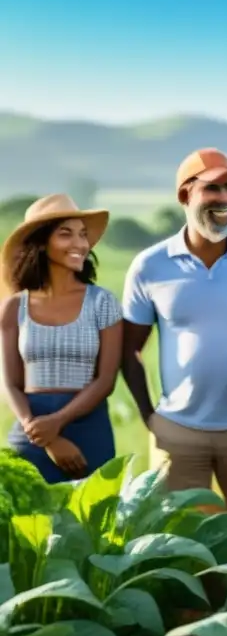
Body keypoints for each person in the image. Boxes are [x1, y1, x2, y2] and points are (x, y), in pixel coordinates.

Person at [120, 148, 227, 515]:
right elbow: (130, 351)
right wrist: (151, 418)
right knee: (181, 548)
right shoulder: (150, 266)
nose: (225, 199)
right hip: (177, 432)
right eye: (212, 189)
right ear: (184, 196)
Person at [1, 194, 123, 483]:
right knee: (26, 526)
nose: (80, 244)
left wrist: (58, 422)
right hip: (31, 432)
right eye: (66, 234)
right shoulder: (14, 307)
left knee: (92, 524)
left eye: (82, 235)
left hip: (88, 428)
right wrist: (45, 436)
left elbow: (105, 381)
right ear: (42, 243)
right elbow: (10, 383)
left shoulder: (102, 302)